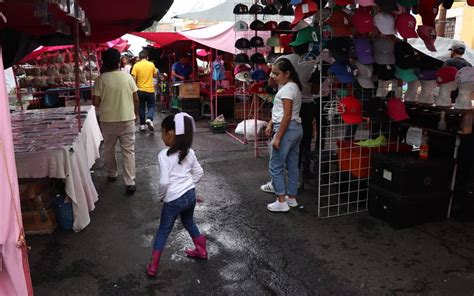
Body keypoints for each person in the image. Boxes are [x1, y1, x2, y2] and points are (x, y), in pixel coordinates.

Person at [146, 112, 206, 277]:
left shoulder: (164, 155)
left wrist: (160, 196)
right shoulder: (190, 152)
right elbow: (199, 172)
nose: (162, 136)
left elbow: (164, 182)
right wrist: (189, 186)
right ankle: (201, 251)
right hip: (190, 196)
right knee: (189, 222)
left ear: (171, 133)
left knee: (163, 231)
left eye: (162, 132)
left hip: (173, 200)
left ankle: (153, 266)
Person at [260, 26, 317, 194]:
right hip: (307, 106)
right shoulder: (315, 61)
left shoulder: (285, 60)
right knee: (302, 146)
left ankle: (279, 187)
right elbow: (315, 89)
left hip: (287, 106)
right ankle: (301, 178)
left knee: (281, 150)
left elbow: (271, 83)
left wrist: (275, 133)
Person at [92, 48, 139, 194]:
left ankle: (112, 173)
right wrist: (136, 114)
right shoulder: (127, 77)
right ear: (119, 61)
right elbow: (136, 98)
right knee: (128, 151)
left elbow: (95, 102)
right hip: (127, 118)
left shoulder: (100, 80)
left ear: (104, 62)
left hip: (108, 120)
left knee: (109, 148)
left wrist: (107, 101)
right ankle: (130, 182)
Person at [265, 58, 303, 212]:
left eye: (276, 73)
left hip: (286, 129)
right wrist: (271, 123)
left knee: (276, 166)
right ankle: (291, 198)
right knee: (293, 166)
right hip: (296, 129)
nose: (273, 76)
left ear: (287, 73)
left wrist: (278, 137)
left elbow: (286, 115)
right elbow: (283, 113)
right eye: (272, 72)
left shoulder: (287, 89)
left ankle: (281, 200)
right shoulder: (293, 87)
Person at [131, 50, 158, 132]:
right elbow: (155, 75)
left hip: (139, 90)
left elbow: (133, 78)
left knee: (141, 107)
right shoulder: (151, 64)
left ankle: (142, 125)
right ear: (147, 57)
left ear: (139, 58)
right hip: (150, 89)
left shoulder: (136, 65)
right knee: (151, 106)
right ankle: (149, 119)